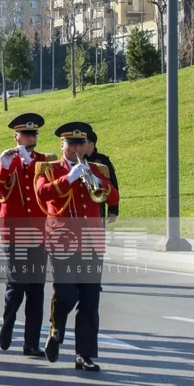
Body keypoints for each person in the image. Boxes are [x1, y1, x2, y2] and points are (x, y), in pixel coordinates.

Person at [35, 122, 118, 372]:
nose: (77, 148)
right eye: (71, 143)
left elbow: (113, 198)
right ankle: (56, 327)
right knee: (67, 295)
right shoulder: (48, 169)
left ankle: (84, 354)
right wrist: (69, 178)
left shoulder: (97, 169)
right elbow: (42, 193)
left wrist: (96, 180)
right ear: (62, 145)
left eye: (80, 143)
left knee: (91, 302)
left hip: (92, 243)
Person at [0, 113, 52, 357]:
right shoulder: (3, 161)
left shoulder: (45, 161)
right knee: (17, 283)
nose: (29, 138)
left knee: (36, 289)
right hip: (13, 232)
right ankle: (7, 325)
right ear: (16, 136)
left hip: (38, 232)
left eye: (33, 134)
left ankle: (31, 343)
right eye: (25, 134)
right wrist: (4, 168)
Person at [84, 131, 119, 220]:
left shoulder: (103, 160)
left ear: (91, 145)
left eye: (83, 142)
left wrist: (113, 211)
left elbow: (113, 184)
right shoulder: (77, 159)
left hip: (99, 206)